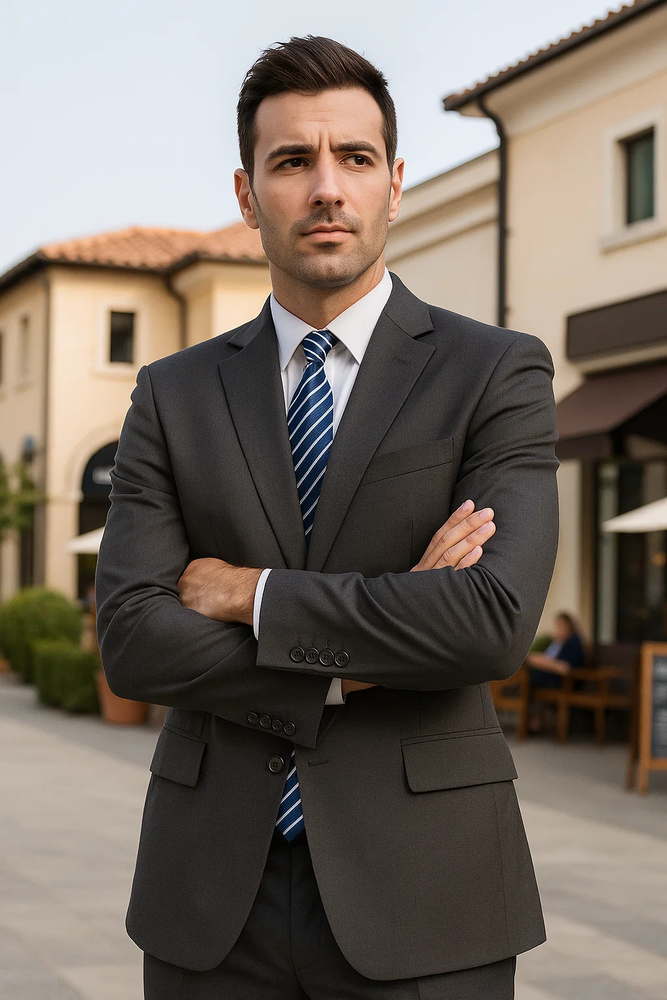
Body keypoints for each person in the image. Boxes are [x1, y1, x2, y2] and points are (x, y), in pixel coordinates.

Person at [95, 36, 559, 1000]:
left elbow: (487, 622)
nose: (325, 188)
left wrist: (250, 596)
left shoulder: (494, 372)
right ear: (246, 194)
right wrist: (365, 655)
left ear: (394, 184)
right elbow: (134, 641)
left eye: (353, 157)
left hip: (429, 892)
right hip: (209, 897)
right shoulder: (173, 395)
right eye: (290, 161)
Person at [526, 612, 586, 689]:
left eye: (560, 626)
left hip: (564, 681)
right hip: (550, 676)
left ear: (568, 626)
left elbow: (564, 667)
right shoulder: (559, 642)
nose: (557, 630)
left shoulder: (573, 642)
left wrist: (542, 662)